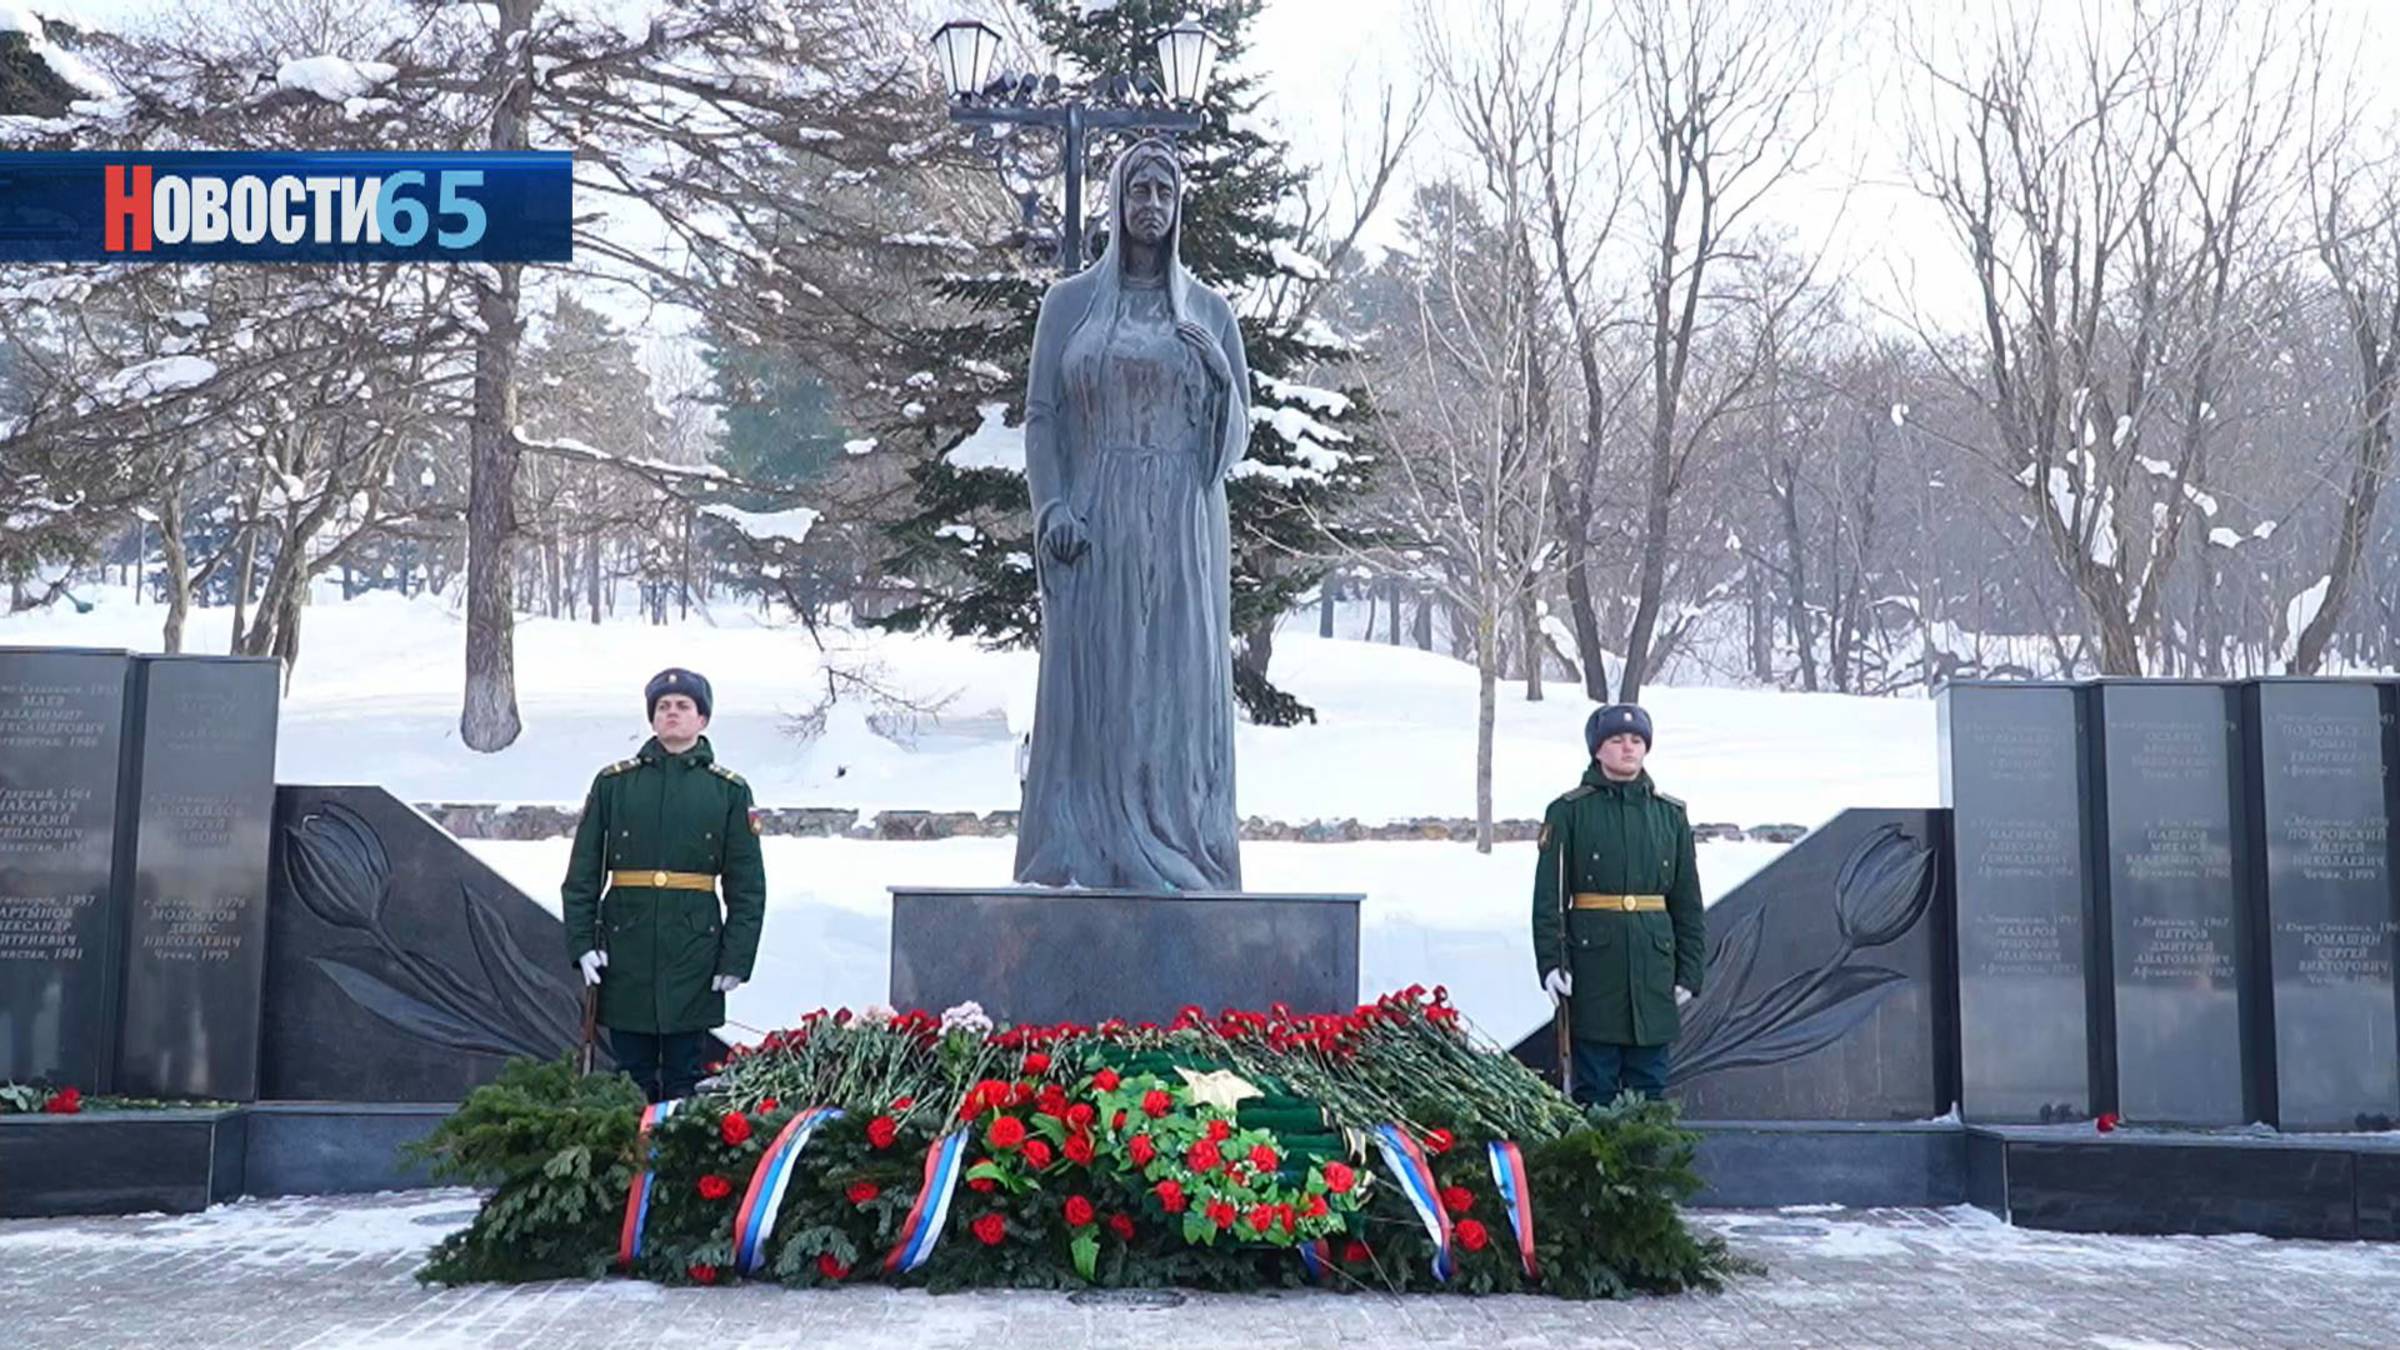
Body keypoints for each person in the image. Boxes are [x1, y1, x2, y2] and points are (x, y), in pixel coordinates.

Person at [1012, 138, 1250, 892]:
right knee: (1101, 684)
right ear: (1116, 201)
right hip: (1098, 515)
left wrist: (1217, 373)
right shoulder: (1070, 303)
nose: (1151, 205)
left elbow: (1237, 437)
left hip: (1182, 519)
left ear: (1179, 208)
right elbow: (1042, 417)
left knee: (1175, 684)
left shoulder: (1210, 310)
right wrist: (1051, 503)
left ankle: (1182, 846)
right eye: (1138, 190)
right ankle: (1088, 849)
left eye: (1164, 193)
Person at [562, 668, 766, 1102]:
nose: (672, 713)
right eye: (663, 707)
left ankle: (675, 1168)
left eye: (683, 706)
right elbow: (582, 876)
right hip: (626, 946)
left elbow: (747, 889)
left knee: (684, 1075)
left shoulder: (727, 792)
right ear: (652, 718)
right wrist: (582, 942)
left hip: (693, 951)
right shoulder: (615, 784)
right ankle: (629, 1166)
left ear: (702, 719)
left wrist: (736, 958)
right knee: (629, 1075)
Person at [1531, 704, 1705, 1104]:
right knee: (1596, 1087)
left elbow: (1687, 902)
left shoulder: (1670, 815)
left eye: (1637, 740)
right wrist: (1552, 963)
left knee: (1650, 1085)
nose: (1628, 748)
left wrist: (1690, 970)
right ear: (1597, 749)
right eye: (1616, 739)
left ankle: (1647, 1168)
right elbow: (1549, 897)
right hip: (1595, 970)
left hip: (1653, 967)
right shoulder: (1570, 811)